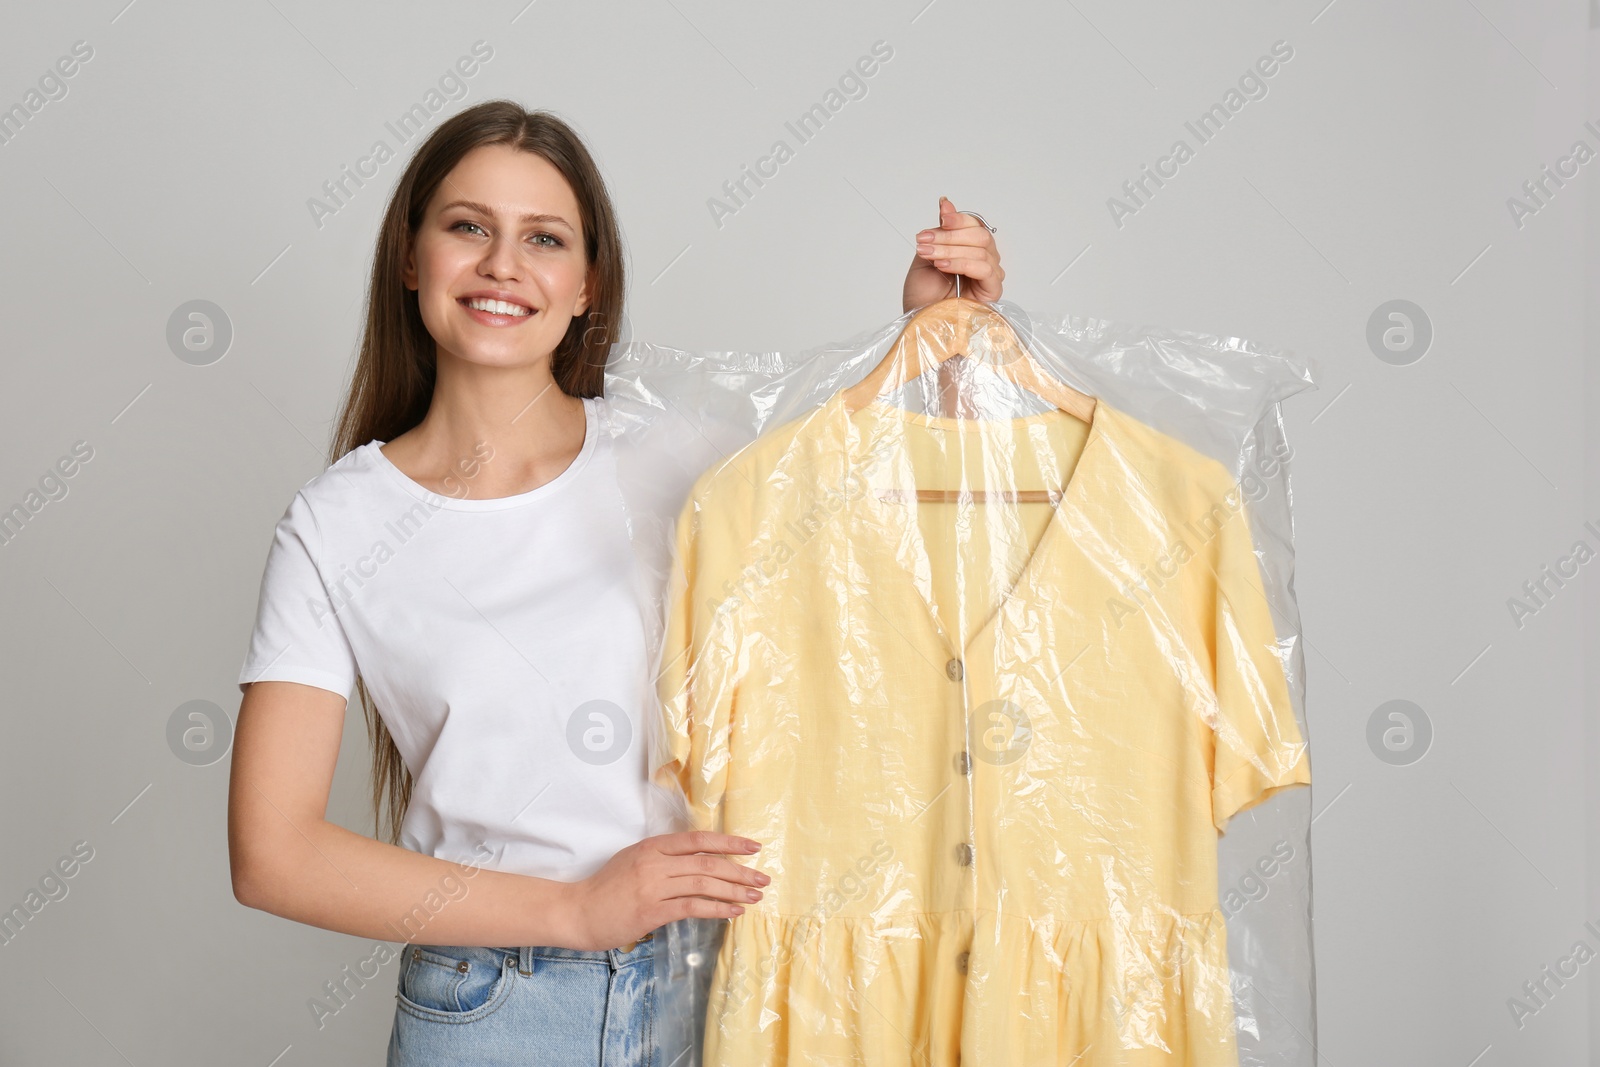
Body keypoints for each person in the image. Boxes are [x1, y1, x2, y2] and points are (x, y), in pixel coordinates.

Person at [227, 99, 1005, 1066]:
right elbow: (274, 853)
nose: (503, 265)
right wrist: (577, 908)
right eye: (468, 226)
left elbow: (918, 571)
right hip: (495, 1010)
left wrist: (942, 347)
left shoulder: (689, 458)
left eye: (544, 238)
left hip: (731, 987)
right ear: (409, 257)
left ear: (588, 283)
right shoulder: (337, 524)